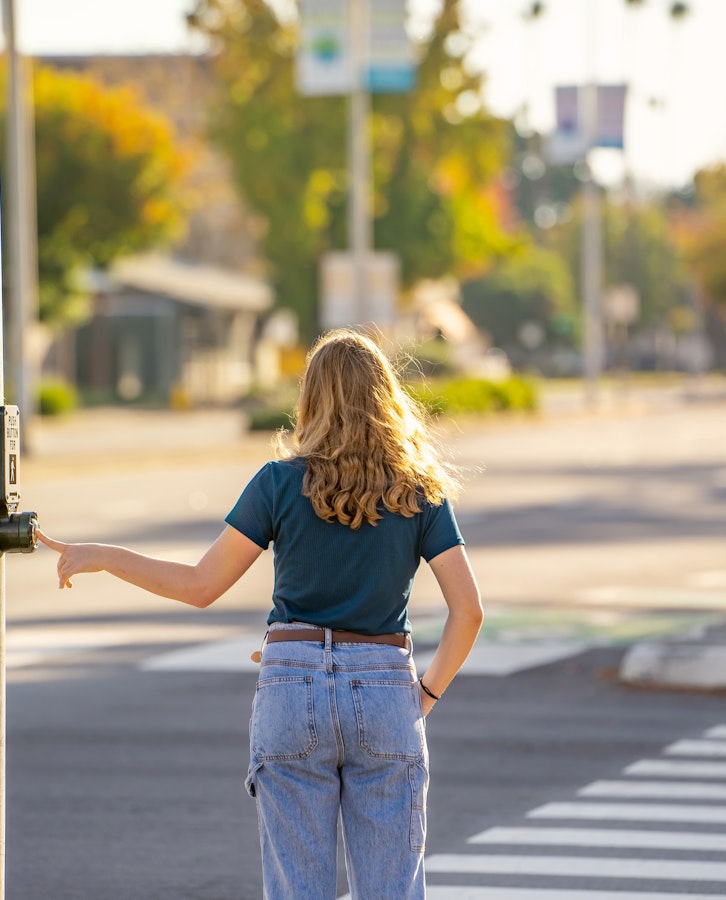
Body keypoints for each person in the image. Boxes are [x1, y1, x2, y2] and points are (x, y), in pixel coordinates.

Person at [38, 327, 484, 900]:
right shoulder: (419, 491)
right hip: (384, 687)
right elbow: (467, 610)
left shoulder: (278, 484)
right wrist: (426, 694)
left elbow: (200, 586)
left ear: (311, 399)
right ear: (387, 398)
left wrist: (103, 555)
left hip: (290, 689)